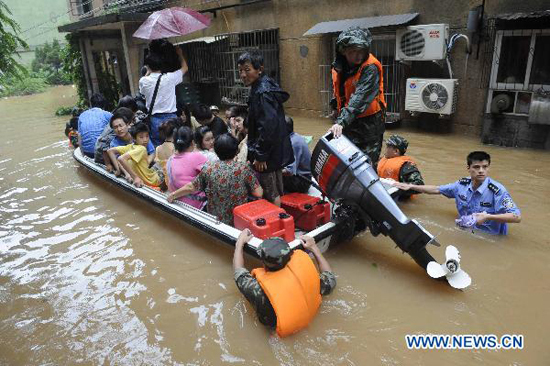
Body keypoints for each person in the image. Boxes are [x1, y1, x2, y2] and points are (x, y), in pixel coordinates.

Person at [233, 230, 336, 337]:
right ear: (290, 256)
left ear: (263, 264)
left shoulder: (257, 290)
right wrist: (314, 247)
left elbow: (238, 272)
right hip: (312, 317)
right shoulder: (306, 270)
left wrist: (239, 243)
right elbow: (331, 279)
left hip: (277, 333)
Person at [393, 151, 521, 235]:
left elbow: (516, 217)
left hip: (491, 238)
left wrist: (488, 216)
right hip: (467, 231)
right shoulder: (461, 185)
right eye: (476, 167)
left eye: (485, 167)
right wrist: (410, 186)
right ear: (468, 169)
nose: (481, 171)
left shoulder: (497, 190)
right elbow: (437, 189)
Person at [238, 50, 294, 207]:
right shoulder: (265, 85)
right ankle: (283, 218)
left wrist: (261, 155)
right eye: (240, 70)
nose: (243, 74)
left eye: (247, 69)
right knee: (276, 184)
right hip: (275, 148)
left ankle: (277, 225)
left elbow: (268, 125)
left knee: (270, 191)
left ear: (259, 69)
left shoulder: (262, 92)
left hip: (267, 151)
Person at [167, 133, 263, 225]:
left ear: (216, 150)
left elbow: (191, 187)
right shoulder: (243, 168)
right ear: (235, 150)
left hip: (215, 220)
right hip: (238, 219)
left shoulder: (208, 168)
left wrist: (173, 195)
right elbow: (258, 193)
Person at [329, 27, 386, 169]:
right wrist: (335, 108)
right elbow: (340, 89)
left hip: (369, 125)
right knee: (347, 161)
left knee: (367, 166)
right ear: (343, 50)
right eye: (353, 51)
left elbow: (360, 97)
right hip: (349, 121)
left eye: (361, 50)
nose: (358, 55)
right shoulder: (339, 66)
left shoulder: (370, 67)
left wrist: (341, 122)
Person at [139, 45, 188, 147]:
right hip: (172, 118)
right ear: (161, 66)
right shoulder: (170, 78)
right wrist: (180, 54)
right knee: (176, 146)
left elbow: (143, 93)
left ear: (148, 66)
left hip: (154, 119)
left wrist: (148, 72)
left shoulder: (143, 81)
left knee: (159, 147)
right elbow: (185, 68)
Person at [107, 123, 162, 188]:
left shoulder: (130, 146)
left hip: (146, 176)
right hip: (152, 181)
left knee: (157, 164)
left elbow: (110, 151)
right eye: (141, 137)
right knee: (165, 165)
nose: (145, 140)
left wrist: (120, 170)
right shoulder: (142, 148)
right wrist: (135, 177)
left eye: (147, 136)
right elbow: (121, 158)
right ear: (134, 138)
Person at [165, 126, 208, 209]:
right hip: (197, 205)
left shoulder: (170, 160)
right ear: (192, 143)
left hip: (177, 202)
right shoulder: (197, 157)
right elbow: (211, 173)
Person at [377, 134, 424, 199]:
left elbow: (420, 185)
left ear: (396, 151)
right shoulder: (383, 159)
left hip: (398, 199)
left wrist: (398, 187)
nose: (385, 149)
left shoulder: (406, 166)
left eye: (388, 147)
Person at [283, 115, 312, 193]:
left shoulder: (292, 144)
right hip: (303, 177)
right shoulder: (294, 136)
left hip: (302, 181)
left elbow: (289, 172)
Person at [78, 93, 113, 158]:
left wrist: (83, 155)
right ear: (104, 104)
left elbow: (79, 137)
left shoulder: (82, 115)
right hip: (103, 152)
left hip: (87, 152)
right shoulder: (108, 115)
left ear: (91, 104)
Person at [154, 119, 177, 187]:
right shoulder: (175, 149)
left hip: (159, 180)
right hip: (170, 182)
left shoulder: (158, 148)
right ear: (175, 132)